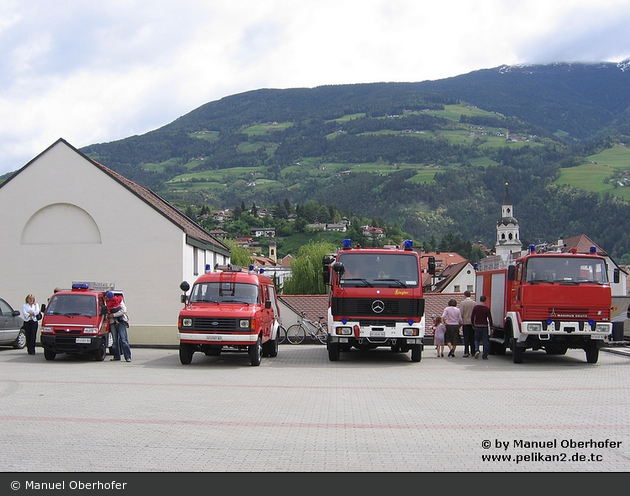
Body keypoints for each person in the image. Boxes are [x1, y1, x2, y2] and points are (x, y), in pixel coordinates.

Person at [105, 291, 131, 362]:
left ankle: (128, 356)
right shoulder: (107, 303)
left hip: (121, 321)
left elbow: (124, 310)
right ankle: (116, 356)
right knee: (114, 340)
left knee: (123, 339)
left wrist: (113, 315)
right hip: (112, 322)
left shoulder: (119, 300)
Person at [471, 295, 494, 360]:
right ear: (485, 300)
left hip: (477, 326)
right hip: (484, 326)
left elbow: (472, 316)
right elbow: (490, 318)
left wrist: (473, 324)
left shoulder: (476, 308)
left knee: (476, 339)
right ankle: (484, 355)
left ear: (480, 300)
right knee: (485, 341)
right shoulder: (487, 309)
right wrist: (491, 327)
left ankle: (477, 349)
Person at [459, 290, 476, 357]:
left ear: (465, 295)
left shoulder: (463, 303)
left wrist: (460, 322)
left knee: (466, 338)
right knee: (472, 337)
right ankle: (473, 351)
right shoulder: (474, 303)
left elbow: (461, 313)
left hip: (465, 322)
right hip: (472, 322)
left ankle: (466, 352)